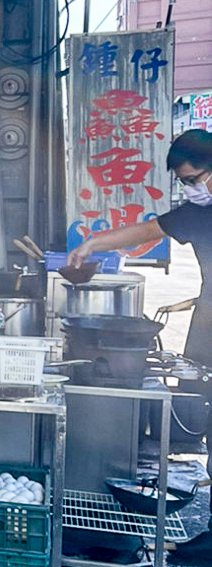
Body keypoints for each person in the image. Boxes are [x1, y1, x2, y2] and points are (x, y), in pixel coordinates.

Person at [68, 129, 212, 530]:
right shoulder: (198, 212)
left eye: (194, 179)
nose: (190, 189)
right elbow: (150, 231)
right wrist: (93, 244)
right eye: (183, 182)